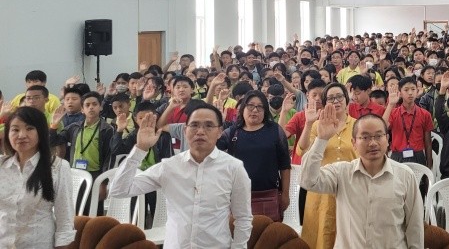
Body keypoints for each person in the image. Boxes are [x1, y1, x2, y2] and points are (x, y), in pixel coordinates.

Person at [109, 103, 253, 248]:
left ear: (220, 131)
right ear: (185, 130)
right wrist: (140, 149)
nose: (200, 131)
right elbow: (118, 190)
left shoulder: (233, 168)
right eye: (194, 125)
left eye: (209, 126)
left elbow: (243, 218)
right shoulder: (169, 167)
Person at [299, 112, 424, 248]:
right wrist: (322, 139)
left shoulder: (405, 176)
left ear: (387, 139)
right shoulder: (342, 173)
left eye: (378, 136)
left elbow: (415, 227)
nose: (372, 143)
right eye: (365, 137)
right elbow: (308, 181)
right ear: (354, 143)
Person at [0, 107, 74, 248]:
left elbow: (65, 219)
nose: (21, 135)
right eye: (15, 130)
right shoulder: (2, 166)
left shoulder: (57, 167)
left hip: (37, 244)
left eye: (29, 128)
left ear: (41, 132)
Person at [295, 82, 358, 249]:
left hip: (350, 190)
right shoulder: (318, 125)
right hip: (320, 191)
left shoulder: (358, 126)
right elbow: (302, 150)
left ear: (347, 100)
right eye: (330, 98)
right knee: (321, 234)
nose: (335, 101)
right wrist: (309, 124)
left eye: (339, 97)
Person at [217, 90, 291, 221]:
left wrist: (285, 194)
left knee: (268, 238)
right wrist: (217, 122)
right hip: (237, 198)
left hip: (269, 196)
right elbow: (212, 151)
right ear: (243, 108)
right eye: (250, 106)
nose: (255, 110)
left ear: (265, 110)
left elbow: (285, 165)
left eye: (260, 106)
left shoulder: (275, 131)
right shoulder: (232, 133)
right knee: (240, 238)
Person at [383, 77, 434, 167]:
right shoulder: (393, 113)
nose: (410, 93)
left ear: (417, 91)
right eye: (406, 90)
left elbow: (428, 143)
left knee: (418, 181)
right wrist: (390, 104)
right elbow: (382, 128)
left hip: (418, 155)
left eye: (413, 89)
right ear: (400, 93)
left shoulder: (425, 114)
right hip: (397, 155)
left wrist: (429, 165)